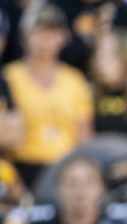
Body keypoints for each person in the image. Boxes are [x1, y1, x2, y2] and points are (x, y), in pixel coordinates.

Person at [3, 4, 93, 188]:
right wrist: (14, 183)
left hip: (64, 169)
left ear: (64, 38)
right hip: (21, 167)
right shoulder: (8, 77)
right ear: (24, 36)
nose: (45, 40)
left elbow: (84, 136)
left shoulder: (75, 80)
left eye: (52, 33)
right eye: (39, 32)